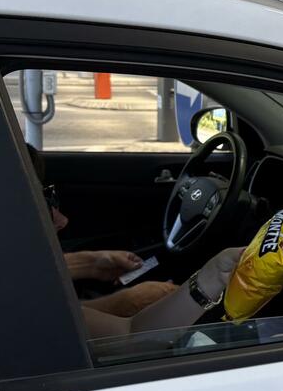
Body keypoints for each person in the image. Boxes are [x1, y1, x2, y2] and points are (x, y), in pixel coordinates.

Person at [25, 144, 242, 338]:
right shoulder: (16, 304)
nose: (62, 220)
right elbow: (130, 335)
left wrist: (87, 263)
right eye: (43, 202)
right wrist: (120, 304)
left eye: (50, 194)